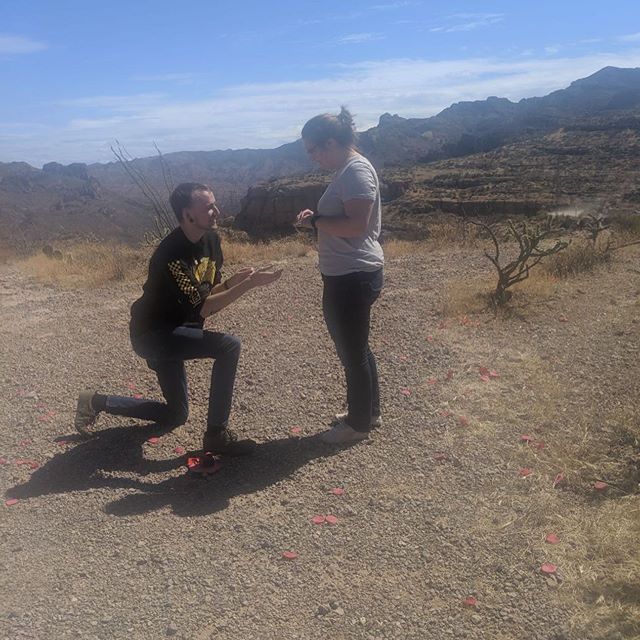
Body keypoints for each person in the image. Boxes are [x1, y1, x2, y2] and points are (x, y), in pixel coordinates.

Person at [74, 182, 282, 456]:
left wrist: (233, 282)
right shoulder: (171, 255)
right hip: (153, 335)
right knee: (229, 346)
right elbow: (204, 308)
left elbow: (206, 293)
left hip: (179, 329)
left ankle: (95, 401)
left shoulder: (211, 241)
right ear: (187, 214)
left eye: (215, 204)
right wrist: (250, 285)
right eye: (208, 207)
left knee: (176, 414)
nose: (217, 211)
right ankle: (217, 435)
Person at [295, 107, 384, 444]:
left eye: (313, 150)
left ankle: (358, 425)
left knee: (352, 351)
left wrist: (317, 222)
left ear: (329, 142)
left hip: (353, 274)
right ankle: (368, 412)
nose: (313, 158)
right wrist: (316, 217)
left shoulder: (356, 171)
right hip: (349, 273)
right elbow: (345, 218)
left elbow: (356, 225)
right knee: (357, 347)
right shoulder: (348, 169)